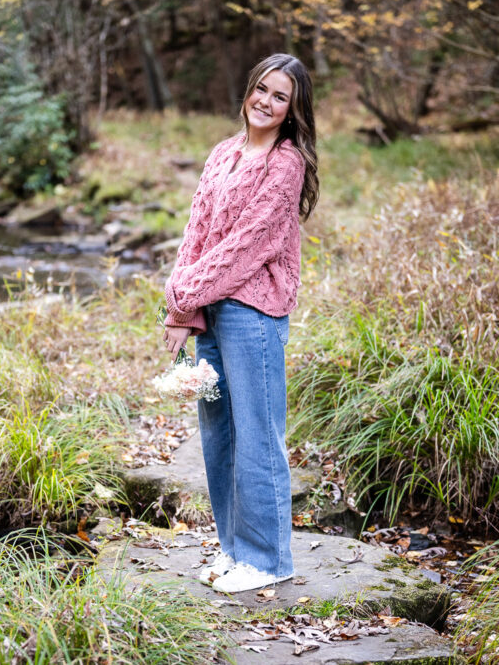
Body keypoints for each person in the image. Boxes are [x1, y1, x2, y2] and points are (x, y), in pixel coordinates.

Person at [161, 53, 319, 593]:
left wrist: (187, 297)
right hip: (209, 310)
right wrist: (181, 307)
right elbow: (197, 234)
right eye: (262, 90)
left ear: (293, 110)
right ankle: (236, 551)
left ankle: (269, 559)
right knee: (219, 434)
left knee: (257, 435)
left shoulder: (286, 163)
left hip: (254, 313)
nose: (267, 102)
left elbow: (246, 246)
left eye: (281, 97)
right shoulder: (223, 153)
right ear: (248, 90)